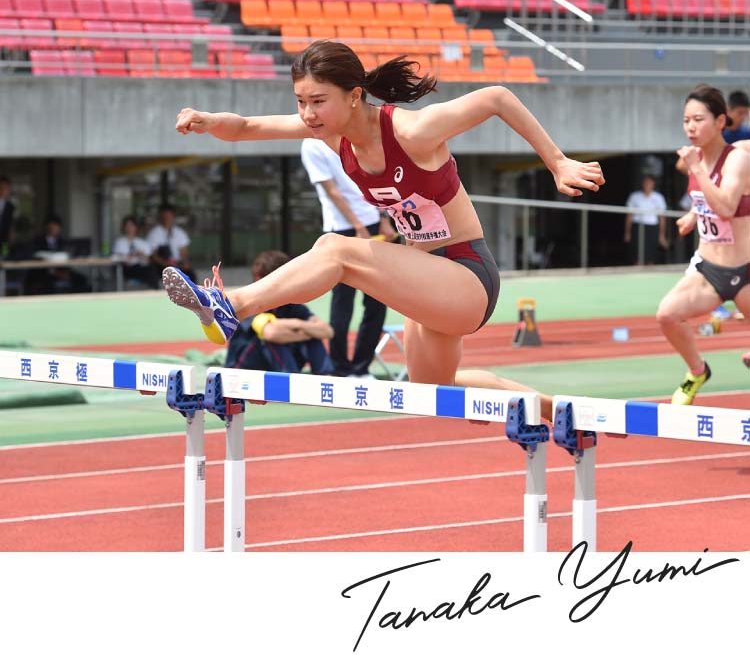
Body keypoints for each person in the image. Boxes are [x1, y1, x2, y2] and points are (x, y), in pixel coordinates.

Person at [163, 40, 604, 421]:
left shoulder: (411, 131)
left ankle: (231, 305)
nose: (307, 113)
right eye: (300, 101)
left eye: (318, 101)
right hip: (424, 278)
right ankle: (559, 410)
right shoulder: (332, 135)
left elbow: (497, 97)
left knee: (335, 249)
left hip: (466, 275)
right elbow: (246, 127)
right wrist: (205, 119)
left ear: (354, 96)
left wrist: (558, 162)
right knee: (433, 394)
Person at [656, 85, 750, 405]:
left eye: (699, 119)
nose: (691, 127)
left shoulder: (737, 158)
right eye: (686, 120)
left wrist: (695, 167)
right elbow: (710, 199)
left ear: (721, 121)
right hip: (709, 270)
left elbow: (726, 205)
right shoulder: (699, 159)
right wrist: (694, 214)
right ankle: (697, 371)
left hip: (746, 271)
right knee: (667, 315)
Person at [300, 136, 396, 378]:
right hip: (341, 229)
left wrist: (383, 219)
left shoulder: (350, 135)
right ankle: (341, 367)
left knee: (377, 299)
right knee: (343, 301)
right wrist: (357, 226)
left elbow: (372, 179)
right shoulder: (312, 144)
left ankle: (362, 366)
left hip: (373, 223)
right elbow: (332, 190)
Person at [225, 250, 335, 375]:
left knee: (313, 339)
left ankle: (326, 376)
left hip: (276, 366)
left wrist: (297, 327)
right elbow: (271, 333)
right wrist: (300, 327)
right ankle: (292, 381)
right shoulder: (249, 305)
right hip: (244, 372)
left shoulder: (290, 304)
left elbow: (327, 331)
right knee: (271, 340)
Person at [624, 173, 668, 265]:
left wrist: (662, 235)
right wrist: (627, 232)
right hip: (637, 227)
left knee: (651, 257)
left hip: (652, 228)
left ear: (653, 184)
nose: (647, 184)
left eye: (649, 182)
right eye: (646, 182)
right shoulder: (634, 196)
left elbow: (662, 218)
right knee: (637, 256)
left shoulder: (659, 197)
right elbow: (629, 216)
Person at [146, 203, 196, 284]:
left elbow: (184, 253)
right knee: (153, 273)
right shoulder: (154, 233)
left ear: (173, 216)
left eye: (169, 215)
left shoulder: (180, 232)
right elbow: (153, 255)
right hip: (161, 265)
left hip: (177, 264)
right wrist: (165, 263)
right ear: (161, 216)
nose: (167, 218)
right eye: (164, 216)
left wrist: (185, 263)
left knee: (190, 274)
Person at [111, 215, 158, 289]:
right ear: (123, 227)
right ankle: (155, 290)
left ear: (136, 227)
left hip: (141, 266)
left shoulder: (142, 242)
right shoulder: (120, 242)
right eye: (127, 225)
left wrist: (142, 255)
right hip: (127, 268)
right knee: (148, 271)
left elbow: (148, 260)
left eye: (132, 225)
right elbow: (118, 259)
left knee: (152, 269)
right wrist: (133, 255)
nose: (129, 228)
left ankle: (155, 291)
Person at [0, 175, 15, 258]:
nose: (3, 190)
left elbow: (11, 224)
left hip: (4, 240)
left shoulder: (10, 207)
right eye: (1, 187)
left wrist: (11, 236)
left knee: (4, 258)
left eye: (5, 188)